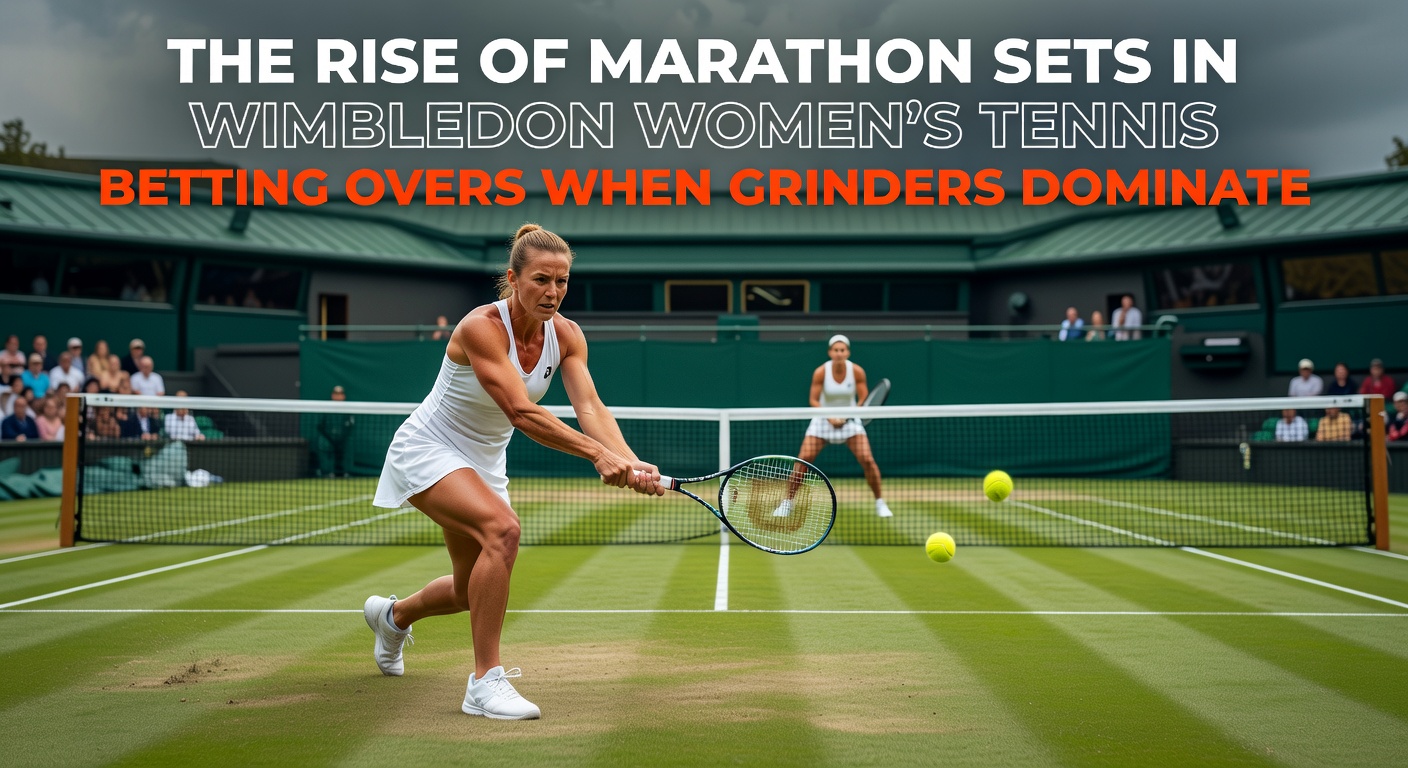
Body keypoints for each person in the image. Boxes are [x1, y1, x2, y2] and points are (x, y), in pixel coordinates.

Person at [363, 224, 662, 721]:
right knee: (504, 531)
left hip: (483, 462)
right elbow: (522, 414)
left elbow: (589, 405)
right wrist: (597, 456)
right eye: (541, 279)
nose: (553, 292)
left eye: (562, 281)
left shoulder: (565, 334)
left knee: (466, 591)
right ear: (513, 278)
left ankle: (392, 617)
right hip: (428, 448)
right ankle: (484, 683)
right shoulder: (481, 326)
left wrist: (627, 459)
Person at [777, 334, 891, 519]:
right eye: (836, 350)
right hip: (823, 421)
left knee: (868, 460)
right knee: (803, 459)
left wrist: (846, 415)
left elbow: (863, 399)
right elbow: (813, 400)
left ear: (847, 352)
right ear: (830, 352)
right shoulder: (821, 372)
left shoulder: (857, 372)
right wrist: (830, 416)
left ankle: (880, 502)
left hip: (850, 422)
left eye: (842, 350)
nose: (839, 353)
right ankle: (787, 503)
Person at [316, 385, 356, 477]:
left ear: (343, 396)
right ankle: (327, 472)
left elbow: (350, 426)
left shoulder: (349, 409)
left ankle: (347, 472)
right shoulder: (326, 408)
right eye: (336, 394)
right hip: (328, 437)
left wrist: (343, 437)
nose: (338, 396)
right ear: (332, 395)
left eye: (340, 394)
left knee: (350, 445)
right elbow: (320, 426)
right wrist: (329, 437)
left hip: (343, 438)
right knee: (323, 444)